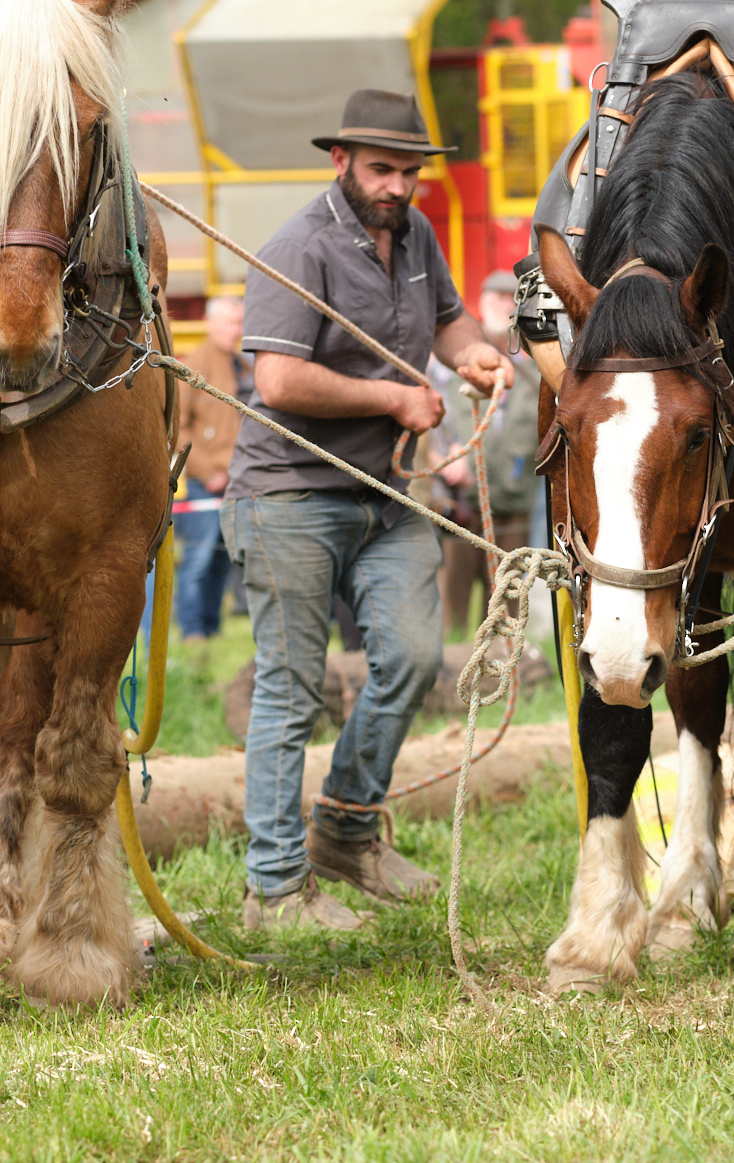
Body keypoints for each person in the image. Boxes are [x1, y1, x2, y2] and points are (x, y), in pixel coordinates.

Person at [223, 89, 511, 930]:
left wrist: (475, 358)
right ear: (340, 161)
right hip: (289, 498)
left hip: (386, 496)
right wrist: (392, 401)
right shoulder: (297, 246)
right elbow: (276, 382)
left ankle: (347, 828)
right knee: (292, 690)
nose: (397, 186)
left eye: (410, 172)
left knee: (419, 655)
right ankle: (272, 888)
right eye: (382, 169)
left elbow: (449, 324)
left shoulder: (417, 236)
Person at [432, 269, 540, 635]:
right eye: (494, 298)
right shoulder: (451, 360)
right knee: (454, 600)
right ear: (480, 303)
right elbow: (427, 418)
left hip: (514, 497)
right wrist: (445, 454)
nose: (501, 306)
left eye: (508, 299)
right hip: (463, 499)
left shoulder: (535, 362)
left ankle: (503, 668)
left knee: (507, 599)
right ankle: (453, 665)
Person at [169, 295, 251, 640]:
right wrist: (206, 470)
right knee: (199, 559)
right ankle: (191, 629)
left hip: (236, 479)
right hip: (208, 483)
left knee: (221, 560)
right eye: (232, 322)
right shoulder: (196, 365)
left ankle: (211, 627)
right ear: (211, 322)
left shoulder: (240, 365)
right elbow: (178, 428)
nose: (238, 330)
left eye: (240, 322)